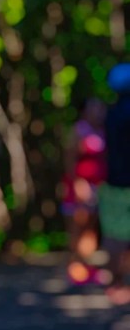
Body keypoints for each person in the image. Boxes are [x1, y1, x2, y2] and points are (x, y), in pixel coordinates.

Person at [62, 97, 107, 286]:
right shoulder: (78, 131)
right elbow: (70, 161)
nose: (98, 112)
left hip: (98, 186)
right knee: (78, 227)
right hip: (80, 186)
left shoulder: (102, 131)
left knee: (91, 228)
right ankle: (75, 267)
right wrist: (79, 184)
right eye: (94, 108)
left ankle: (87, 267)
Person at [99, 63, 130, 304]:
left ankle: (116, 282)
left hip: (113, 181)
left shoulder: (109, 114)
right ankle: (119, 284)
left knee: (114, 235)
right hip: (121, 182)